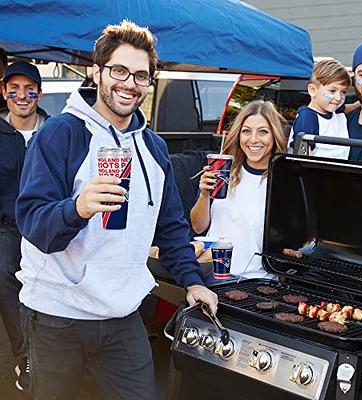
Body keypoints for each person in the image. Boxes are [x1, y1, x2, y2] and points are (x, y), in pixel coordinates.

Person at [15, 20, 217, 400]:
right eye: (119, 71)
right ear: (97, 72)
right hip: (58, 317)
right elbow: (34, 225)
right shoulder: (61, 133)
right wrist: (77, 208)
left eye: (141, 75)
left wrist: (193, 282)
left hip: (123, 318)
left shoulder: (154, 148)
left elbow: (171, 226)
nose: (129, 83)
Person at [190, 100, 287, 279]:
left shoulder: (283, 181)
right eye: (246, 131)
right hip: (213, 276)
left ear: (275, 136)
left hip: (256, 281)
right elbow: (198, 227)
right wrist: (204, 194)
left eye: (263, 132)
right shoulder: (223, 172)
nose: (253, 140)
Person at [0, 60, 47, 391]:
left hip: (46, 228)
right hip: (7, 230)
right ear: (3, 93)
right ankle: (25, 355)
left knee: (45, 292)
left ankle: (45, 352)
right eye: (13, 88)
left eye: (29, 88)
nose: (21, 95)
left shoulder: (55, 131)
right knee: (7, 283)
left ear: (39, 94)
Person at [288, 58, 357, 159]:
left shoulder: (335, 109)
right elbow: (303, 154)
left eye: (343, 92)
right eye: (332, 91)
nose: (338, 98)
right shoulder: (308, 118)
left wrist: (358, 105)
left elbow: (347, 108)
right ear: (313, 90)